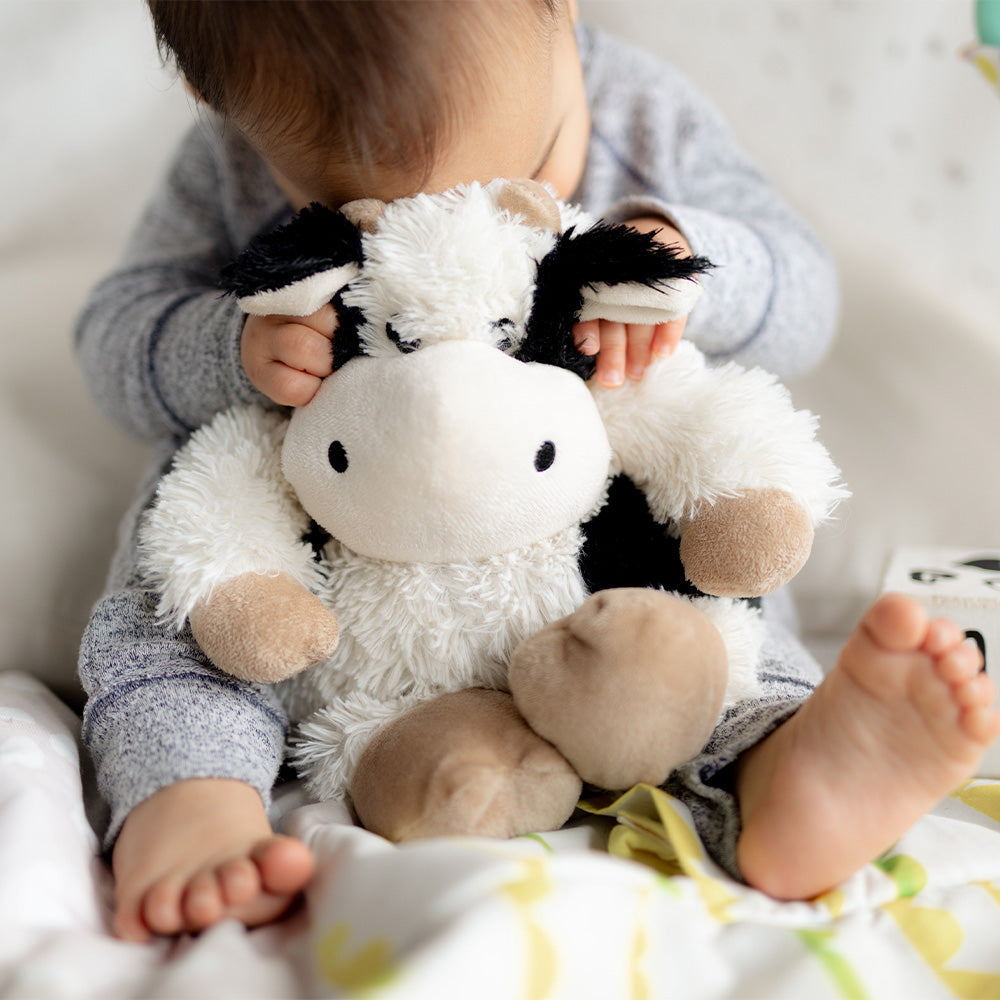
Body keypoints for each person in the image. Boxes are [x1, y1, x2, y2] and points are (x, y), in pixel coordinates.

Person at [75, 0, 1000, 943]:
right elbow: (110, 337)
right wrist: (229, 350)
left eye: (522, 169)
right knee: (183, 568)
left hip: (602, 553)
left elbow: (809, 297)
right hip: (333, 560)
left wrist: (682, 259)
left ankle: (781, 764)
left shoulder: (642, 114)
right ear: (212, 96)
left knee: (721, 585)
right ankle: (188, 795)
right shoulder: (223, 164)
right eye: (371, 216)